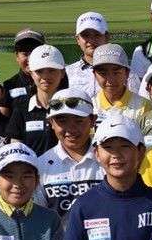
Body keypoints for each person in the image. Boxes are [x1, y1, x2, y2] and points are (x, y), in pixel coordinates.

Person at [34, 88, 103, 219]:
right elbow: (38, 218)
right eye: (62, 121)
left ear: (93, 120)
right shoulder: (41, 165)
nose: (71, 129)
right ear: (51, 123)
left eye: (78, 120)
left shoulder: (109, 160)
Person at [4, 44, 67, 156]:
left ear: (62, 72)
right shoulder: (21, 109)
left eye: (51, 70)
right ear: (31, 73)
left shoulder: (72, 106)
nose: (45, 76)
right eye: (40, 71)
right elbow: (16, 153)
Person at [89, 43, 148, 126]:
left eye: (116, 73)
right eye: (103, 73)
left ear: (127, 73)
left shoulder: (143, 105)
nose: (110, 80)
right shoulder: (90, 106)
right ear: (94, 75)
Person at [1, 28, 48, 113]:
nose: (30, 58)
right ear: (17, 56)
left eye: (34, 53)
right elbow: (3, 117)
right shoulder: (9, 85)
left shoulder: (55, 81)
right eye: (25, 54)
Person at [68, 11, 109, 100]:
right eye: (85, 35)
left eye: (97, 35)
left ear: (106, 37)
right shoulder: (66, 73)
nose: (91, 40)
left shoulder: (123, 72)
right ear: (78, 39)